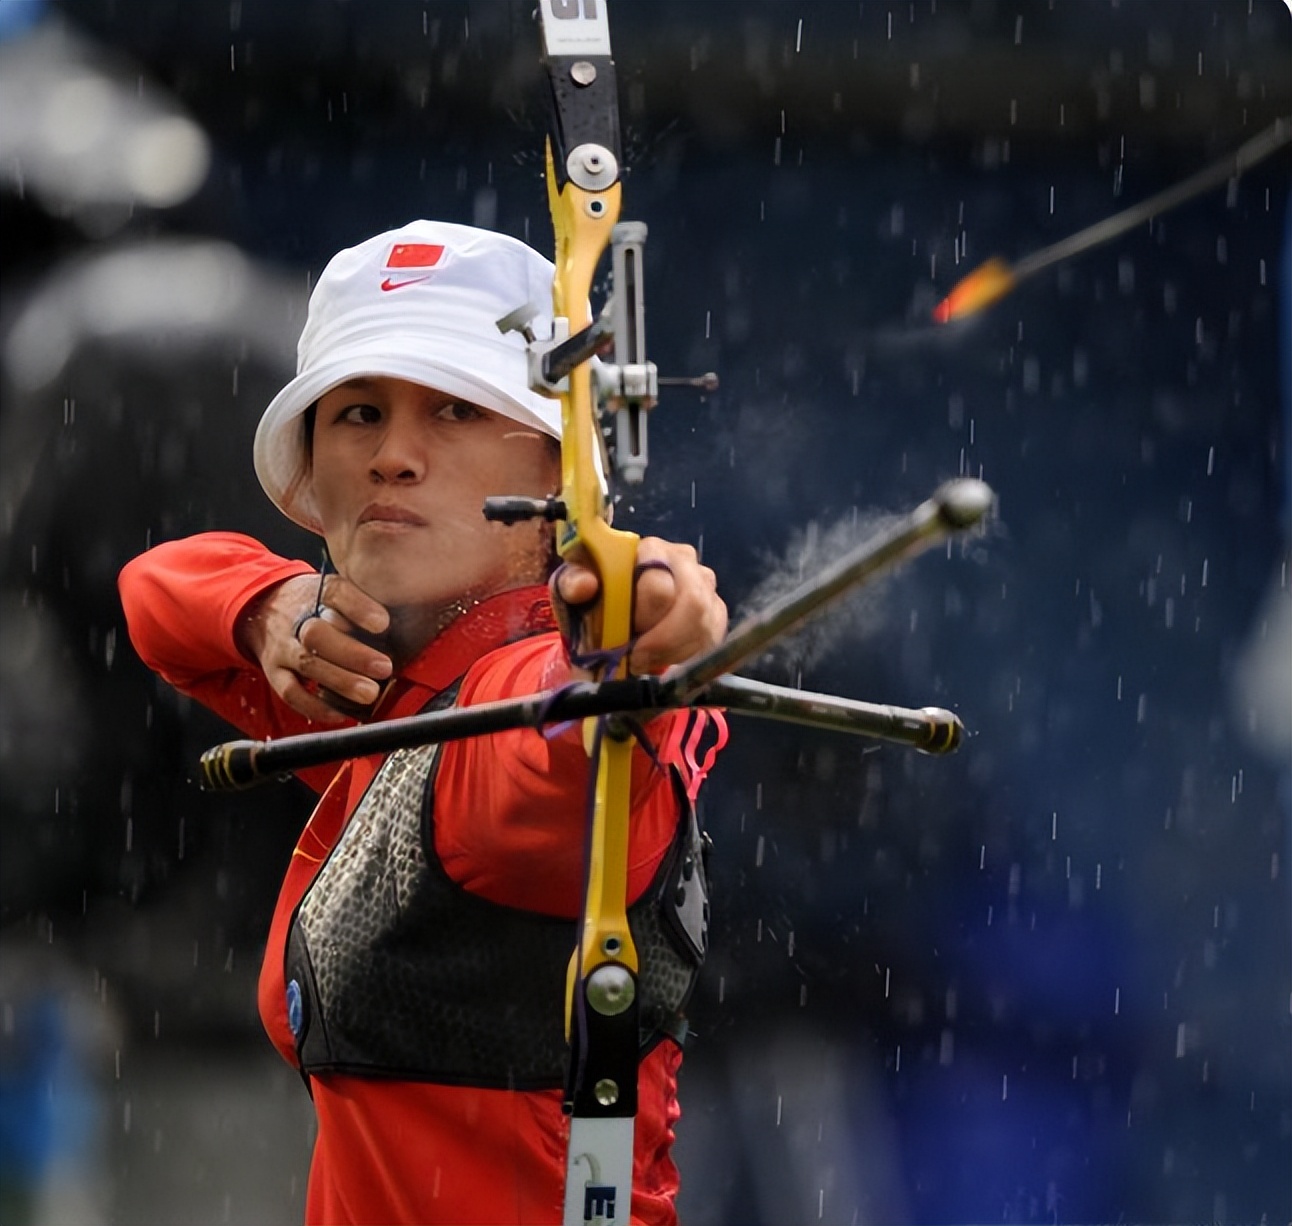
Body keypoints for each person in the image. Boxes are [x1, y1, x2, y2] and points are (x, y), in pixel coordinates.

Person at [118, 219, 729, 1226]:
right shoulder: (379, 688)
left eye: (455, 407)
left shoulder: (503, 705)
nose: (392, 456)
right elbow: (153, 595)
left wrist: (643, 640)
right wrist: (268, 605)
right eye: (357, 412)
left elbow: (563, 741)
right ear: (310, 470)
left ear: (558, 467)